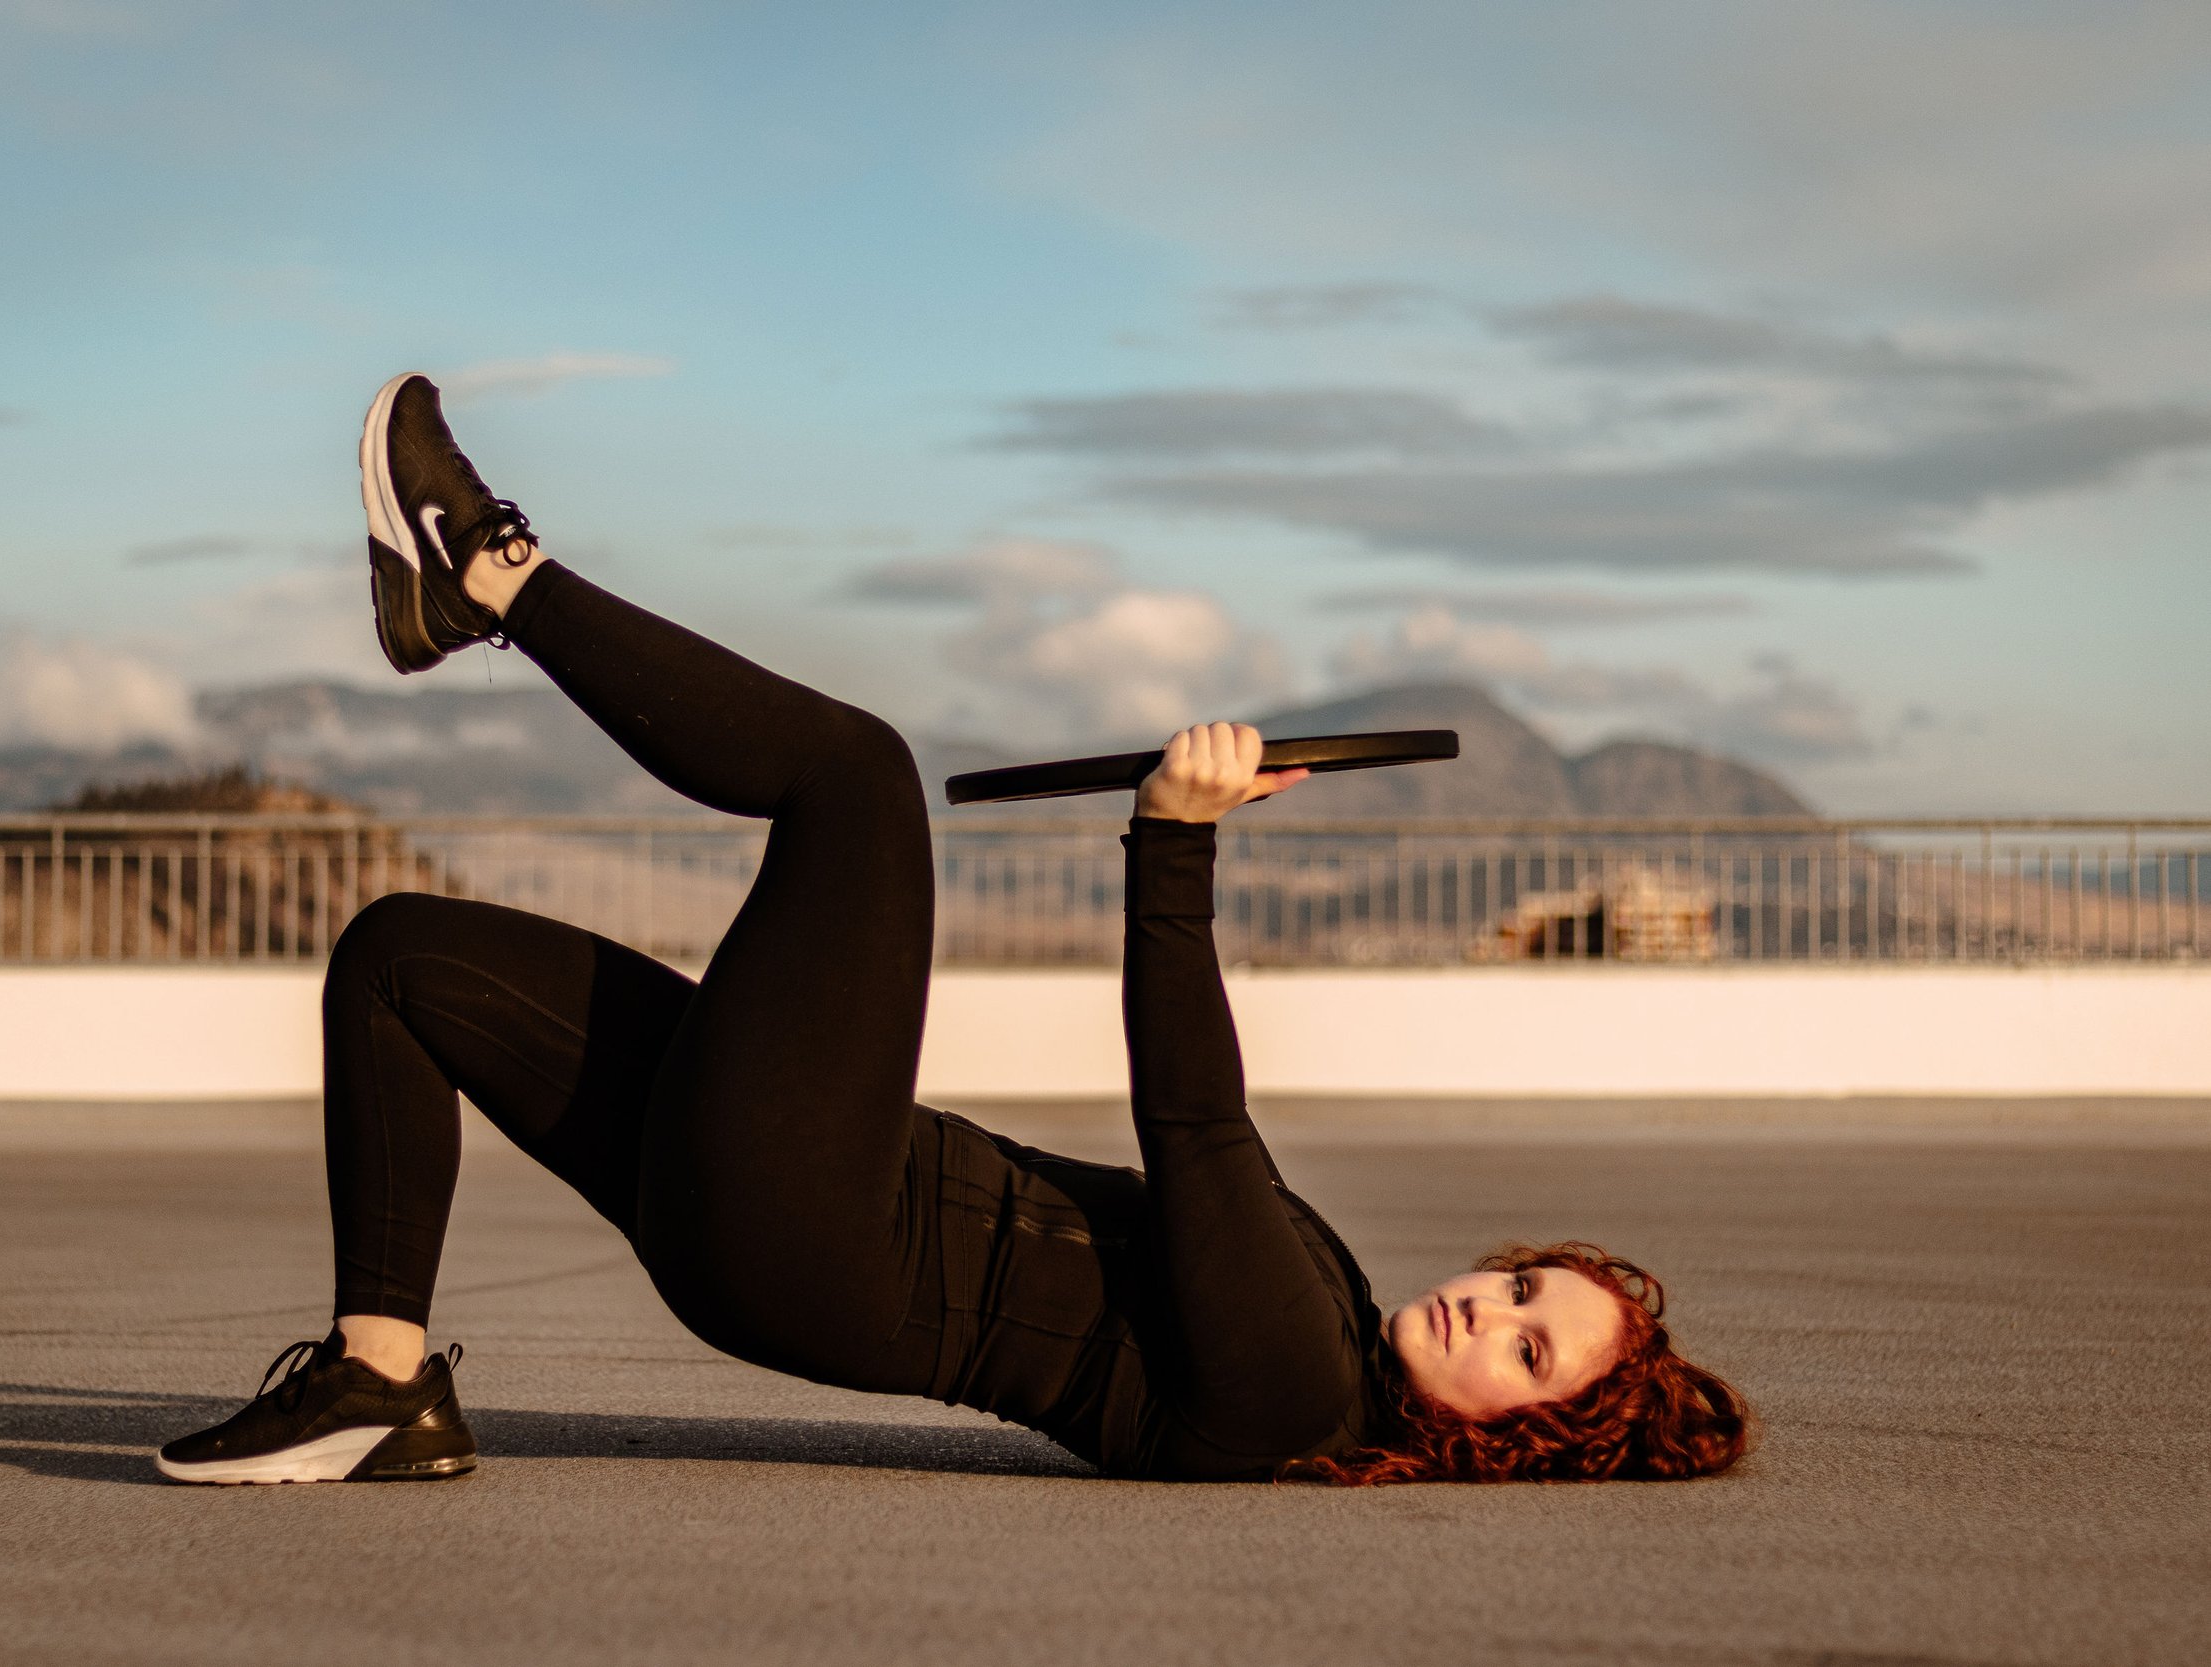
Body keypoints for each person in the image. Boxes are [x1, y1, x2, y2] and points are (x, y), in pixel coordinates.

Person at [154, 375, 1750, 1488]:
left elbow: (1196, 1120)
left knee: (856, 781)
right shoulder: (1328, 1322)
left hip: (817, 1227)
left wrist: (1172, 844)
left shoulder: (1299, 1390)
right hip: (802, 1211)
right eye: (1533, 1290)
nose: (1501, 1312)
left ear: (1508, 1437)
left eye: (1532, 1357)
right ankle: (379, 1382)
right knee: (399, 961)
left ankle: (487, 579)